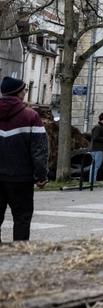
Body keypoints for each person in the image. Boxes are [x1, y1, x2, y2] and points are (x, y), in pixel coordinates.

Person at [0, 77, 49, 242]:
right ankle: (19, 256)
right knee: (22, 218)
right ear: (18, 92)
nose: (25, 92)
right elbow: (39, 150)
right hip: (21, 178)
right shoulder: (31, 116)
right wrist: (41, 176)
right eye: (25, 89)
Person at [89, 112, 103, 183]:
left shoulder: (100, 126)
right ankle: (92, 182)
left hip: (97, 149)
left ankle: (92, 181)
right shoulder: (98, 127)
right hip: (98, 149)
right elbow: (95, 137)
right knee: (96, 166)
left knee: (94, 166)